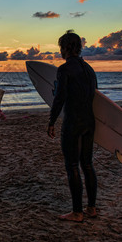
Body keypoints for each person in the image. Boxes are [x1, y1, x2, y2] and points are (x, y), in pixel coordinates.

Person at [47, 30, 98, 223]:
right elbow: (96, 96)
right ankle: (91, 208)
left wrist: (51, 121)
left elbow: (60, 98)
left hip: (73, 123)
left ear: (66, 48)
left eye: (61, 47)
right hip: (89, 122)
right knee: (87, 164)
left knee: (72, 166)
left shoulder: (65, 69)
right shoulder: (89, 70)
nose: (60, 51)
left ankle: (77, 212)